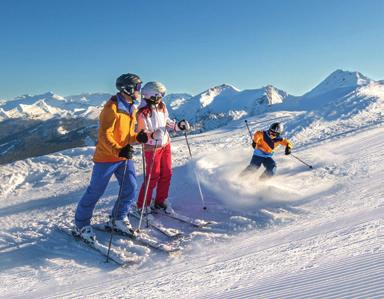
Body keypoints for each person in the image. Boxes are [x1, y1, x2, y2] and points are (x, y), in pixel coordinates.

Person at [74, 73, 150, 244]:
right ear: (127, 89)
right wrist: (119, 150)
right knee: (95, 191)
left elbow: (127, 135)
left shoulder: (131, 107)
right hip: (106, 158)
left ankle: (117, 219)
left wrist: (138, 138)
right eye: (137, 87)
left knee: (130, 187)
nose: (139, 91)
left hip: (123, 156)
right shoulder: (111, 109)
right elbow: (104, 136)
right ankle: (80, 226)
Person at [136, 81, 190, 215]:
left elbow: (167, 122)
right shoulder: (142, 112)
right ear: (152, 95)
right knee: (152, 176)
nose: (161, 98)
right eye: (160, 95)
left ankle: (160, 200)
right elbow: (141, 133)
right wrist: (152, 135)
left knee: (167, 173)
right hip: (152, 147)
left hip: (165, 144)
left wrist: (178, 126)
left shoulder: (162, 106)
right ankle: (143, 204)